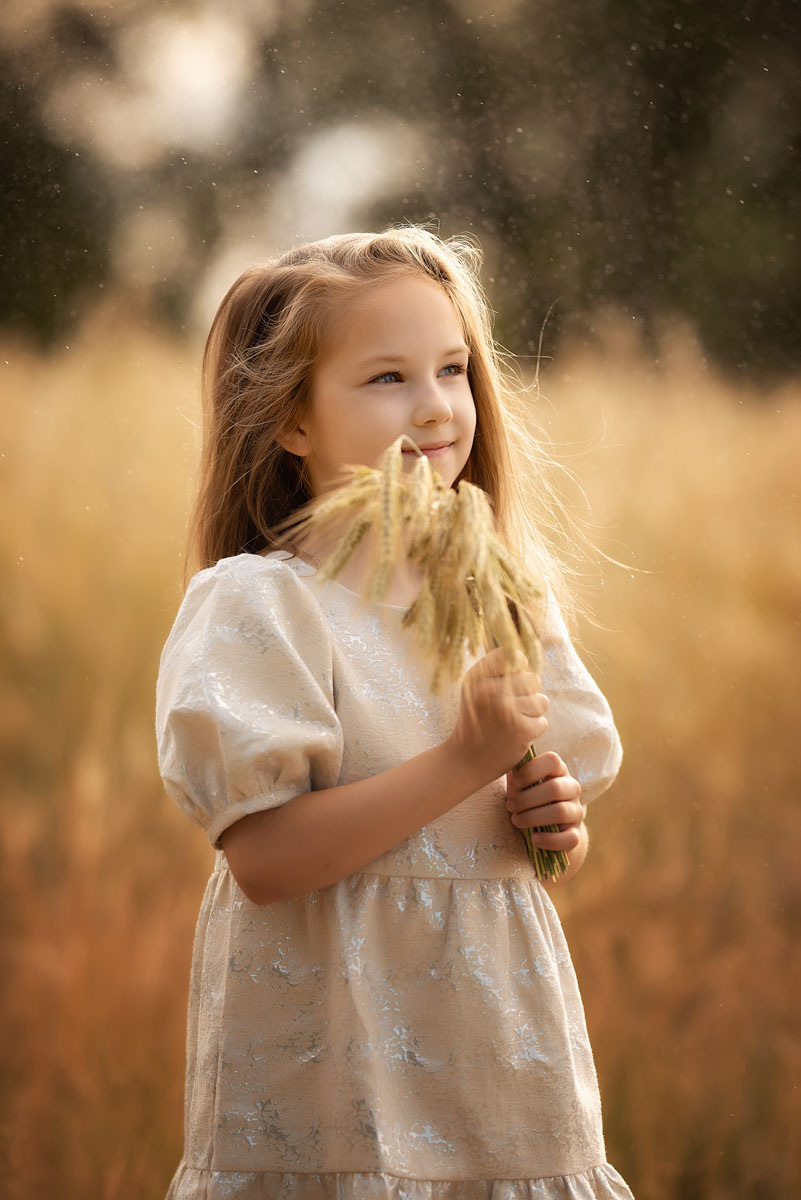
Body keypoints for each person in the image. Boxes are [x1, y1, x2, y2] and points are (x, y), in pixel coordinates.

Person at [156, 225, 634, 1199]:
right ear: (292, 419)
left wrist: (553, 819)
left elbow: (531, 852)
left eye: (453, 369)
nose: (435, 407)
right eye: (386, 379)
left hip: (501, 1086)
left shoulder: (499, 596)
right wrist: (463, 760)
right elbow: (267, 860)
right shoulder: (263, 605)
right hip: (338, 1101)